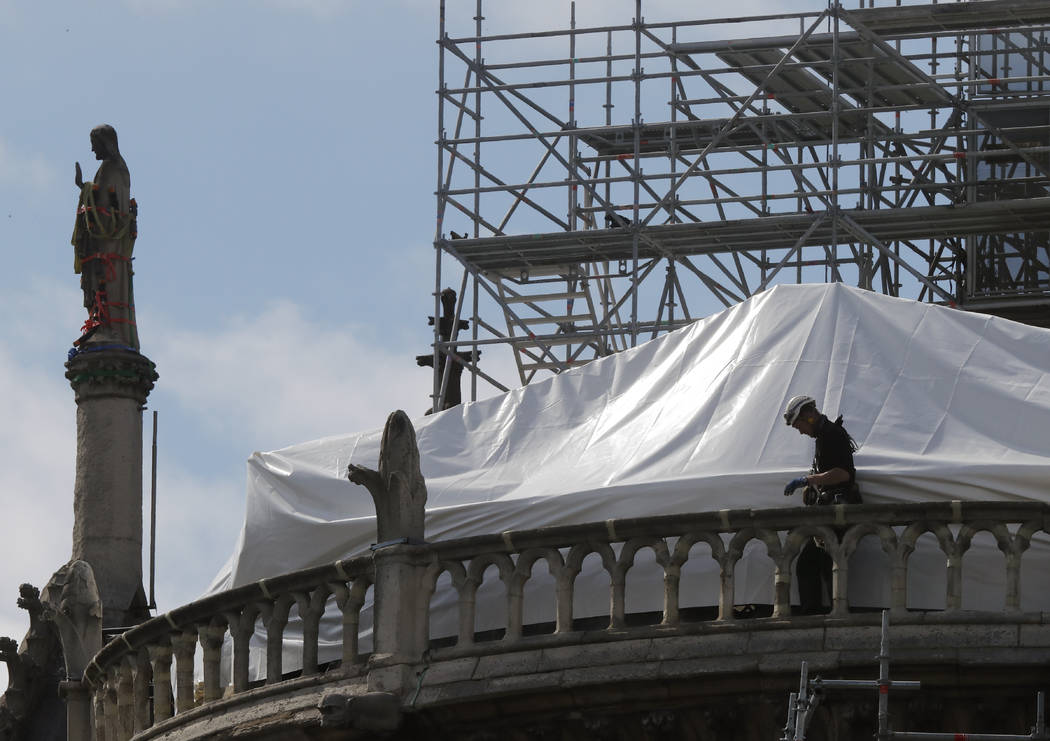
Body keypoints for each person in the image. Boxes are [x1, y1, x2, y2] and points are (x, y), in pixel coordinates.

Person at [781, 394, 860, 614]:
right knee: (823, 565)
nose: (800, 431)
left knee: (811, 564)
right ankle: (832, 611)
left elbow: (843, 474)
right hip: (829, 512)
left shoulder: (832, 434)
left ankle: (817, 613)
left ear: (808, 416)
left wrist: (808, 480)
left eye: (799, 426)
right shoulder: (826, 435)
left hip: (836, 513)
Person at [71, 124, 139, 350]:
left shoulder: (114, 168)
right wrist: (85, 188)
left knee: (109, 285)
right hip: (105, 245)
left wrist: (85, 188)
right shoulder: (110, 168)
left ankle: (112, 330)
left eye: (95, 145)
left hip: (110, 244)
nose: (92, 151)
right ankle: (102, 325)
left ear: (106, 144)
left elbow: (109, 207)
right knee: (102, 287)